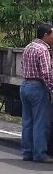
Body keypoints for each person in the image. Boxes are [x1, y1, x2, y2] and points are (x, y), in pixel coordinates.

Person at [20, 23, 53, 163]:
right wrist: (52, 88)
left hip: (25, 85)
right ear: (45, 35)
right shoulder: (43, 50)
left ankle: (27, 153)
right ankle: (40, 154)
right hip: (38, 87)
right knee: (40, 121)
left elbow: (23, 65)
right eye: (52, 35)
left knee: (27, 122)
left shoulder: (29, 47)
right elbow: (46, 73)